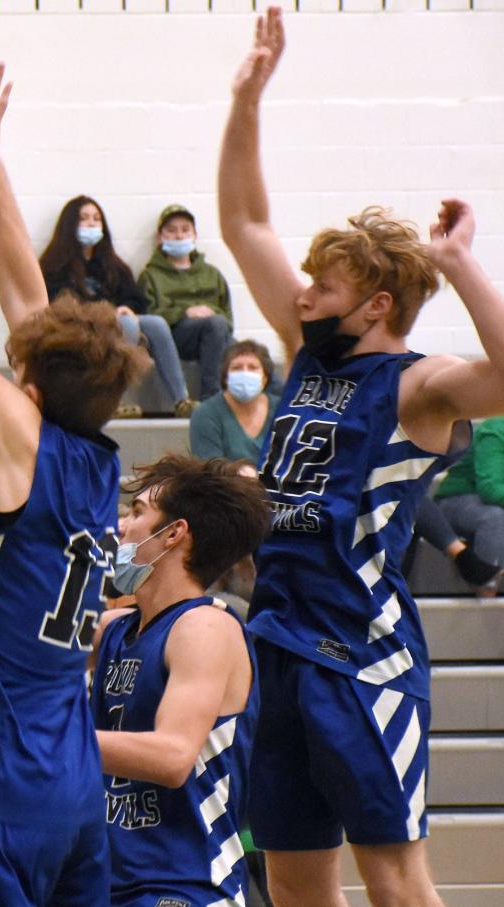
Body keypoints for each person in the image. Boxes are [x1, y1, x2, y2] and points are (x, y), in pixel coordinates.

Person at [219, 10, 504, 907]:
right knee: (295, 875)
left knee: (392, 874)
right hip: (274, 636)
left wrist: (458, 264)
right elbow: (241, 221)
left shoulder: (419, 384)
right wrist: (246, 102)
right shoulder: (304, 350)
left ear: (376, 304)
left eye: (324, 286)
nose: (302, 294)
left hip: (361, 650)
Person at [0, 61, 149, 906]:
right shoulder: (97, 455)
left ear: (32, 393)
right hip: (76, 796)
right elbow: (30, 305)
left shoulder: (24, 443)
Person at [90, 455, 272, 907]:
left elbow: (172, 756)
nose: (121, 527)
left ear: (174, 533)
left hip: (185, 886)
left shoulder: (205, 627)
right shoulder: (115, 629)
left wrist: (45, 739)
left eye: (136, 514)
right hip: (107, 881)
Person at [40, 195, 192, 418]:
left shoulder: (112, 264)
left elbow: (135, 298)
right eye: (84, 219)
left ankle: (182, 400)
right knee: (127, 326)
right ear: (70, 224)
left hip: (117, 322)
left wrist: (128, 307)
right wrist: (104, 313)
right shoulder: (54, 265)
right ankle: (113, 402)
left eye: (96, 219)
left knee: (155, 323)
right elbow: (55, 304)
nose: (91, 223)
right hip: (77, 328)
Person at [138, 204, 234, 400]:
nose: (179, 236)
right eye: (171, 231)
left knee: (255, 355)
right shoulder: (150, 276)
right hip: (175, 338)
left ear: (194, 235)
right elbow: (149, 317)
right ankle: (212, 397)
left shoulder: (212, 274)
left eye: (185, 230)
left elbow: (227, 317)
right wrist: (185, 312)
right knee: (215, 324)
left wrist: (209, 311)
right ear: (160, 237)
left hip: (215, 334)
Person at [433, 416, 504, 597]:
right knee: (494, 518)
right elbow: (490, 489)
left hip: (489, 502)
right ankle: (487, 586)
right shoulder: (495, 430)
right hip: (456, 500)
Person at [190, 339, 279, 462]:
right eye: (237, 368)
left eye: (252, 367)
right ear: (226, 377)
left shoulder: (282, 410)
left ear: (265, 378)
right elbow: (208, 470)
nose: (244, 373)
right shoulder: (205, 413)